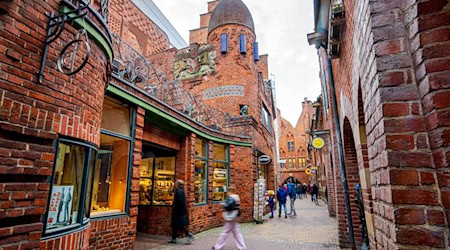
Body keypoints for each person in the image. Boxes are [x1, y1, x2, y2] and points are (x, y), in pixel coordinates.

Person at [212, 184, 247, 250]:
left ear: (230, 191)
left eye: (228, 192)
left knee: (225, 232)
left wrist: (223, 204)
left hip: (230, 217)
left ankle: (218, 247)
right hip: (234, 217)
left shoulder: (231, 198)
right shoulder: (236, 197)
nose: (227, 193)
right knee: (237, 233)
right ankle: (242, 247)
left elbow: (228, 206)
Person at [168, 180, 194, 245]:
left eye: (176, 184)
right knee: (175, 225)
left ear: (178, 184)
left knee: (180, 225)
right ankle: (173, 238)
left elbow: (180, 202)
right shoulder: (181, 190)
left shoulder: (179, 191)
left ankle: (189, 235)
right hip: (179, 211)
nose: (175, 185)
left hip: (179, 212)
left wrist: (175, 208)